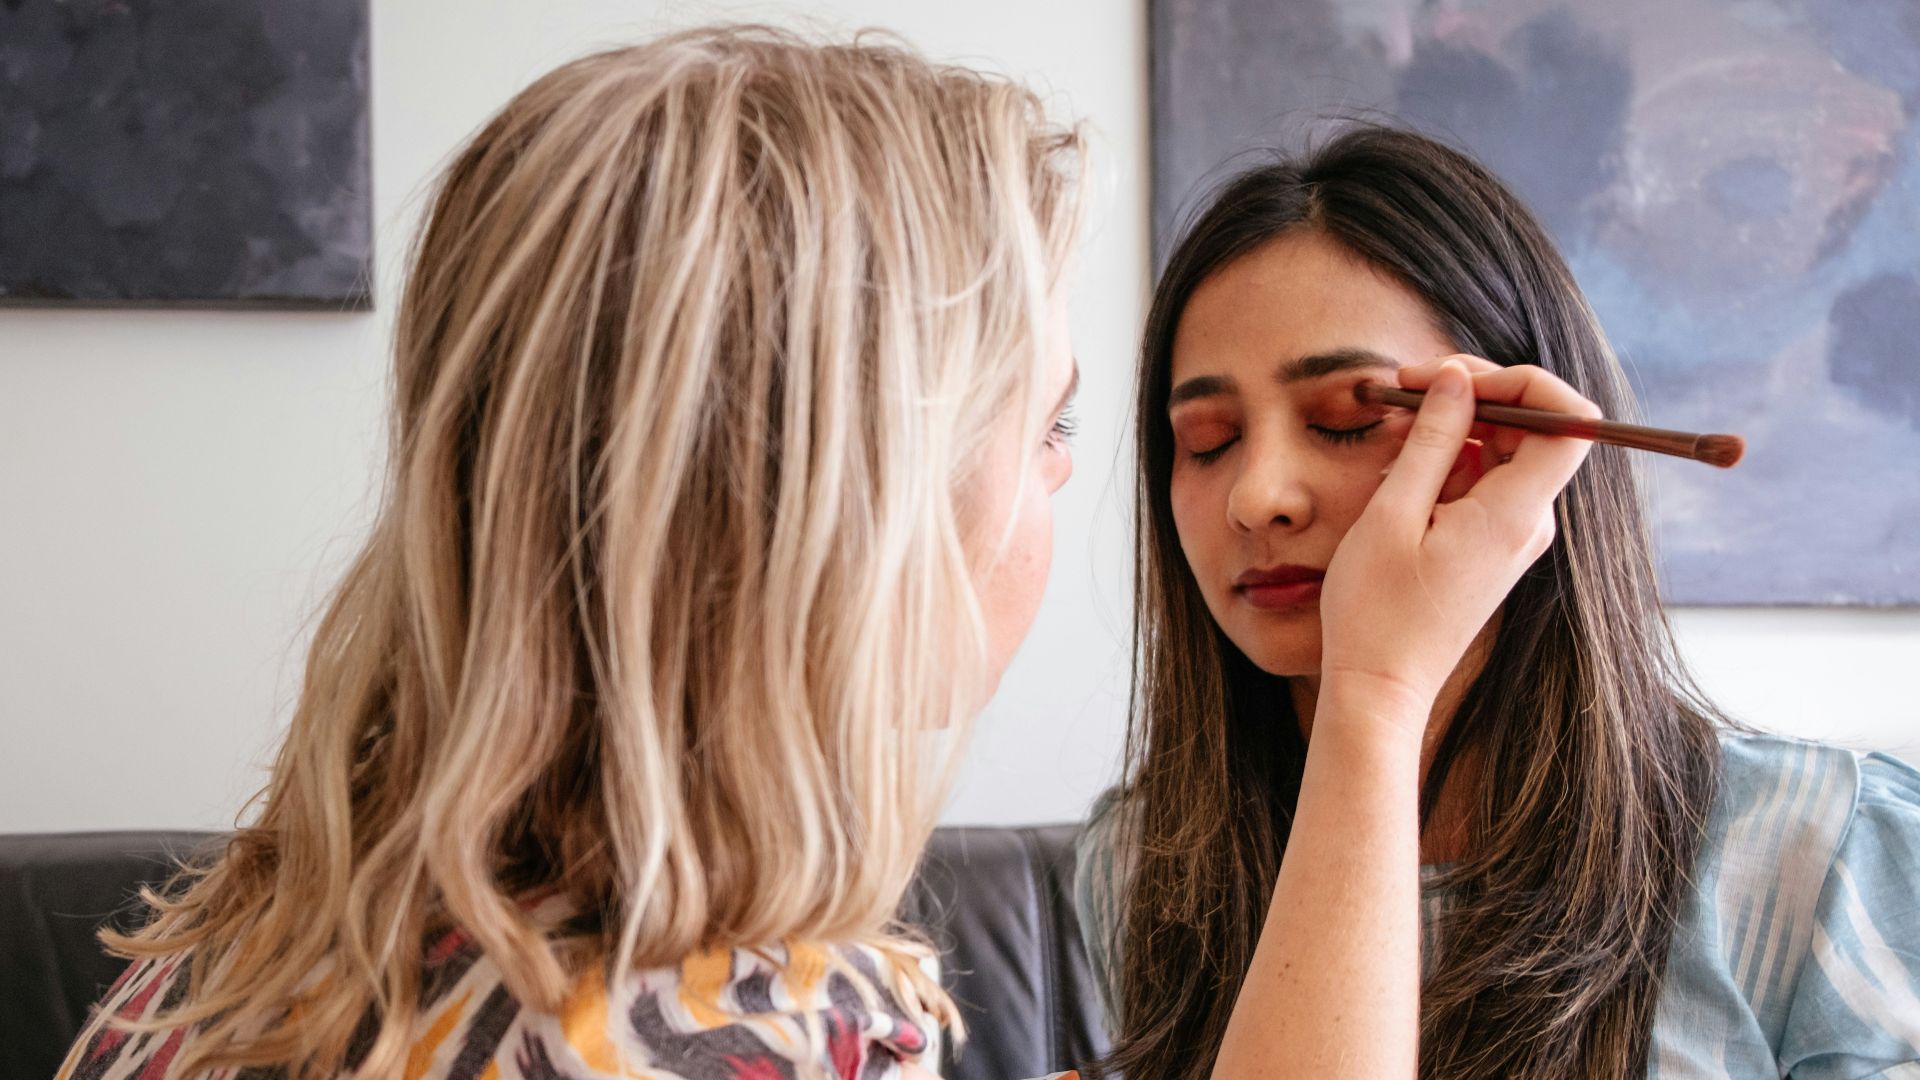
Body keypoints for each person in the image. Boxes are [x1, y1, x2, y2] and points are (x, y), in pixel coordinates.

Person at [59, 26, 1091, 1079]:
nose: (1059, 474)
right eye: (1047, 427)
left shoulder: (228, 951)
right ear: (855, 508)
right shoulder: (761, 1035)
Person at [1075, 126, 1920, 1079]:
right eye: (1207, 440)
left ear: (1515, 444)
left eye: (1348, 420)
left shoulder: (1832, 858)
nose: (1257, 495)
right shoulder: (1144, 867)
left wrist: (1375, 687)